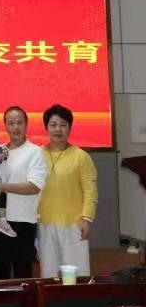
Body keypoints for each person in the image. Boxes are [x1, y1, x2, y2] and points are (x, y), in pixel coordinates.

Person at [38, 104, 98, 278]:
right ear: (46, 127)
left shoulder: (81, 156)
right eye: (53, 124)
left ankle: (76, 297)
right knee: (50, 275)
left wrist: (87, 219)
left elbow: (90, 190)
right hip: (45, 223)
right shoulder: (37, 154)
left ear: (70, 128)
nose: (58, 129)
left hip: (73, 224)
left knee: (75, 275)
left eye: (63, 125)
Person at [0, 106, 48, 279]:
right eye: (11, 123)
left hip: (23, 221)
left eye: (19, 122)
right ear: (5, 126)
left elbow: (34, 186)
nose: (16, 127)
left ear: (26, 124)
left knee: (23, 274)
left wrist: (2, 187)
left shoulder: (35, 152)